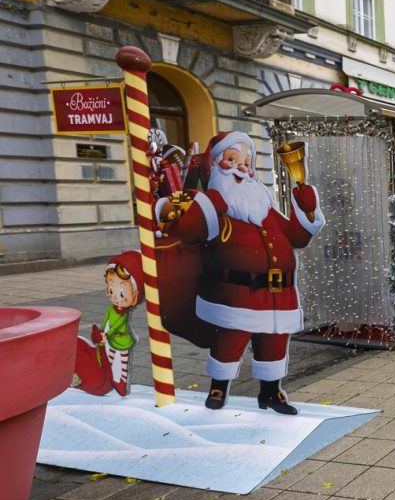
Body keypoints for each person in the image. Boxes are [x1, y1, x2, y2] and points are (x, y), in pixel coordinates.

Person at [159, 131, 324, 414]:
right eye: (232, 159)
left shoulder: (263, 209)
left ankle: (271, 394)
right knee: (230, 340)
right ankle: (218, 388)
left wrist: (306, 208)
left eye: (246, 162)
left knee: (273, 344)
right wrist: (209, 198)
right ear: (214, 165)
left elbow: (297, 237)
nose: (241, 167)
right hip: (237, 295)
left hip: (279, 297)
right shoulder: (216, 207)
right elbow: (186, 229)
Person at [72, 250, 144, 396]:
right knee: (108, 358)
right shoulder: (112, 309)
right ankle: (109, 377)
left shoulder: (124, 313)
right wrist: (102, 330)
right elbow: (107, 320)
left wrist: (107, 334)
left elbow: (118, 324)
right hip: (109, 338)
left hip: (121, 339)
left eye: (122, 293)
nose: (116, 296)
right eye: (111, 290)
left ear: (135, 296)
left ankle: (121, 381)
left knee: (120, 360)